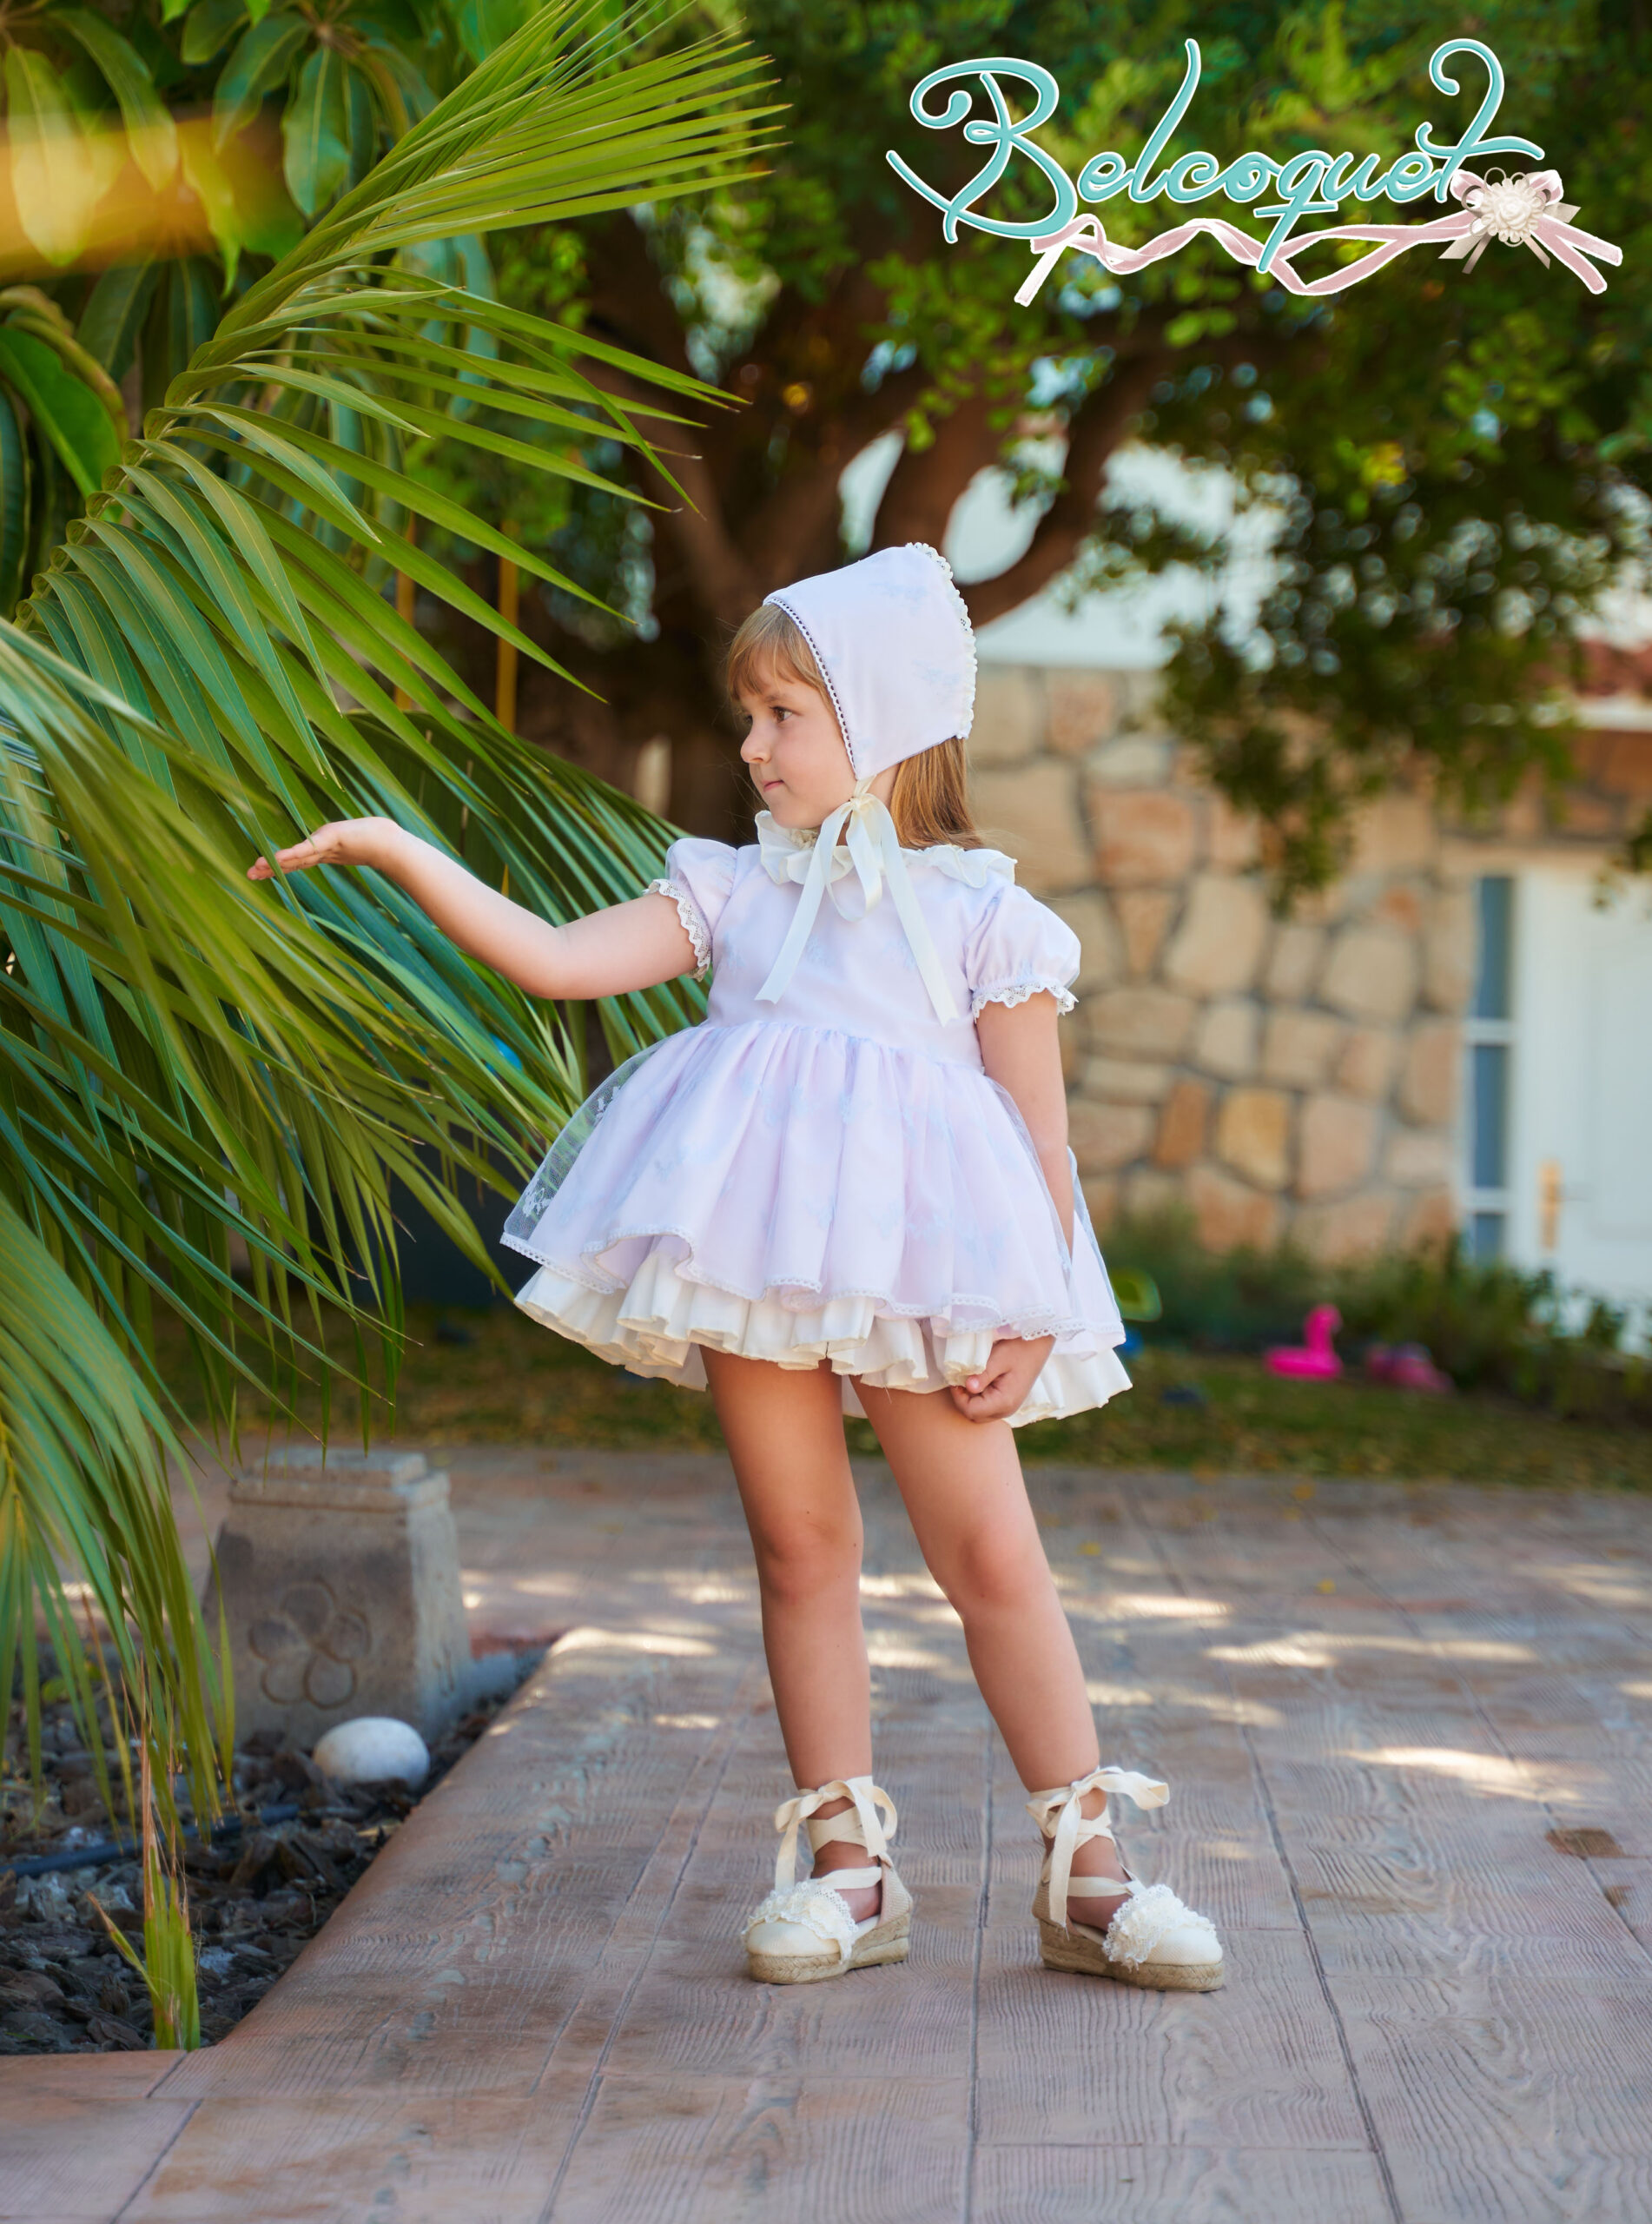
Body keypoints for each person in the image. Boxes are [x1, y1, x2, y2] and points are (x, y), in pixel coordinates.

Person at [248, 541, 1223, 1994]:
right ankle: (848, 1868)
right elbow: (552, 959)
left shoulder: (983, 919)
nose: (751, 745)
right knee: (797, 1548)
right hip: (753, 1261)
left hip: (931, 1279)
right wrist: (397, 846)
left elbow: (1040, 1142)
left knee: (990, 1557)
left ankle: (1087, 1870)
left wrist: (1038, 1304)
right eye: (749, 714)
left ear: (883, 726)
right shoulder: (734, 893)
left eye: (784, 716)